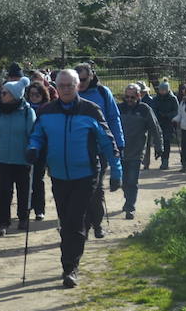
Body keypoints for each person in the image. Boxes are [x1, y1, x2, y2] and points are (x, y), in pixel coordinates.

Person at [26, 69, 122, 288]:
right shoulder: (46, 111)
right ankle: (73, 253)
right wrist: (32, 147)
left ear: (78, 85)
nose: (66, 89)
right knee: (66, 219)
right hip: (58, 175)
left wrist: (117, 171)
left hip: (86, 175)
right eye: (62, 86)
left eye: (70, 85)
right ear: (56, 87)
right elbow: (37, 135)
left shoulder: (91, 111)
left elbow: (108, 142)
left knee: (73, 220)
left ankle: (69, 267)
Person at [75, 63, 124, 239]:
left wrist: (119, 144)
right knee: (79, 189)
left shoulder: (103, 93)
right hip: (77, 148)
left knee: (95, 189)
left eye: (83, 79)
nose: (80, 83)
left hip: (100, 148)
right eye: (77, 79)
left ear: (91, 76)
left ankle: (97, 224)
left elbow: (113, 118)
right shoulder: (70, 93)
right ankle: (83, 226)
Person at [0, 78, 34, 235]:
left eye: (5, 93)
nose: (2, 95)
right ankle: (3, 223)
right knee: (4, 192)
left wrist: (32, 151)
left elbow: (33, 135)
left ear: (14, 95)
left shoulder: (28, 112)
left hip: (22, 159)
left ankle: (23, 218)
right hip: (3, 159)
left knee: (23, 190)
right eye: (2, 92)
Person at [117, 84, 161, 220]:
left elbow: (155, 128)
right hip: (121, 151)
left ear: (139, 96)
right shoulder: (119, 108)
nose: (129, 99)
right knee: (124, 181)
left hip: (137, 151)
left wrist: (159, 146)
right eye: (127, 96)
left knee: (132, 180)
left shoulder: (144, 109)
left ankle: (130, 207)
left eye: (132, 97)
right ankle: (128, 199)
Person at [24, 81, 51, 219]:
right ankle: (27, 207)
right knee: (26, 180)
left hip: (42, 150)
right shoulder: (25, 109)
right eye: (31, 94)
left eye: (37, 94)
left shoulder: (47, 109)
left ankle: (39, 209)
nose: (33, 97)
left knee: (37, 180)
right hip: (26, 148)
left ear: (43, 95)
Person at [150, 81, 180, 170]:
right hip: (158, 123)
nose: (162, 91)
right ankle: (159, 155)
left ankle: (165, 160)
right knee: (158, 141)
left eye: (164, 90)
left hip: (168, 123)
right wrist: (157, 116)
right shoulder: (155, 99)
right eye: (161, 90)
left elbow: (176, 111)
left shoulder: (173, 99)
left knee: (166, 142)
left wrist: (168, 115)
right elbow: (153, 110)